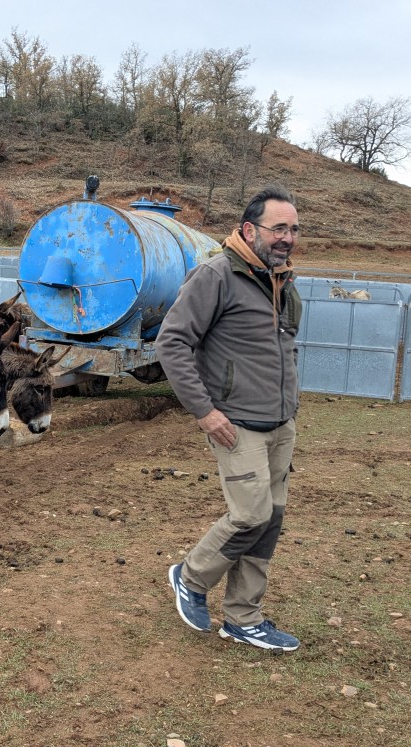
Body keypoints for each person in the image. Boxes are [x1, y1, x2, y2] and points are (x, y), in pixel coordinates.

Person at [155, 184, 303, 652]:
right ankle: (191, 576)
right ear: (248, 229)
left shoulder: (280, 279)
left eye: (294, 229)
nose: (287, 237)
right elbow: (172, 343)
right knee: (251, 513)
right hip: (235, 423)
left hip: (280, 424)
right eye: (278, 228)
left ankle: (243, 616)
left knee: (270, 519)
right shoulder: (216, 275)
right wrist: (206, 412)